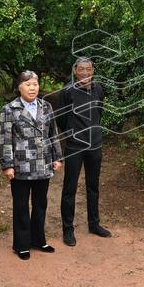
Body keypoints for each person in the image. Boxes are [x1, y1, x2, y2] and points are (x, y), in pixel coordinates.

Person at [0, 70, 63, 259]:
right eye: (28, 84)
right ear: (19, 87)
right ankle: (21, 244)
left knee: (40, 204)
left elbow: (53, 133)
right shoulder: (10, 109)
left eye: (35, 84)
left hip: (43, 163)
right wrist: (7, 165)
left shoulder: (46, 106)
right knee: (21, 205)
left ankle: (38, 240)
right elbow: (5, 139)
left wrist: (57, 157)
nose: (32, 88)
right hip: (21, 166)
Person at [56, 56, 110, 246]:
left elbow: (99, 112)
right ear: (74, 71)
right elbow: (61, 119)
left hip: (95, 145)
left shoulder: (98, 89)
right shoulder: (67, 91)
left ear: (93, 71)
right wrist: (73, 134)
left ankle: (94, 224)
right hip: (74, 147)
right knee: (69, 189)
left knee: (93, 186)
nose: (85, 73)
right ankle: (68, 229)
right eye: (81, 69)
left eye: (89, 69)